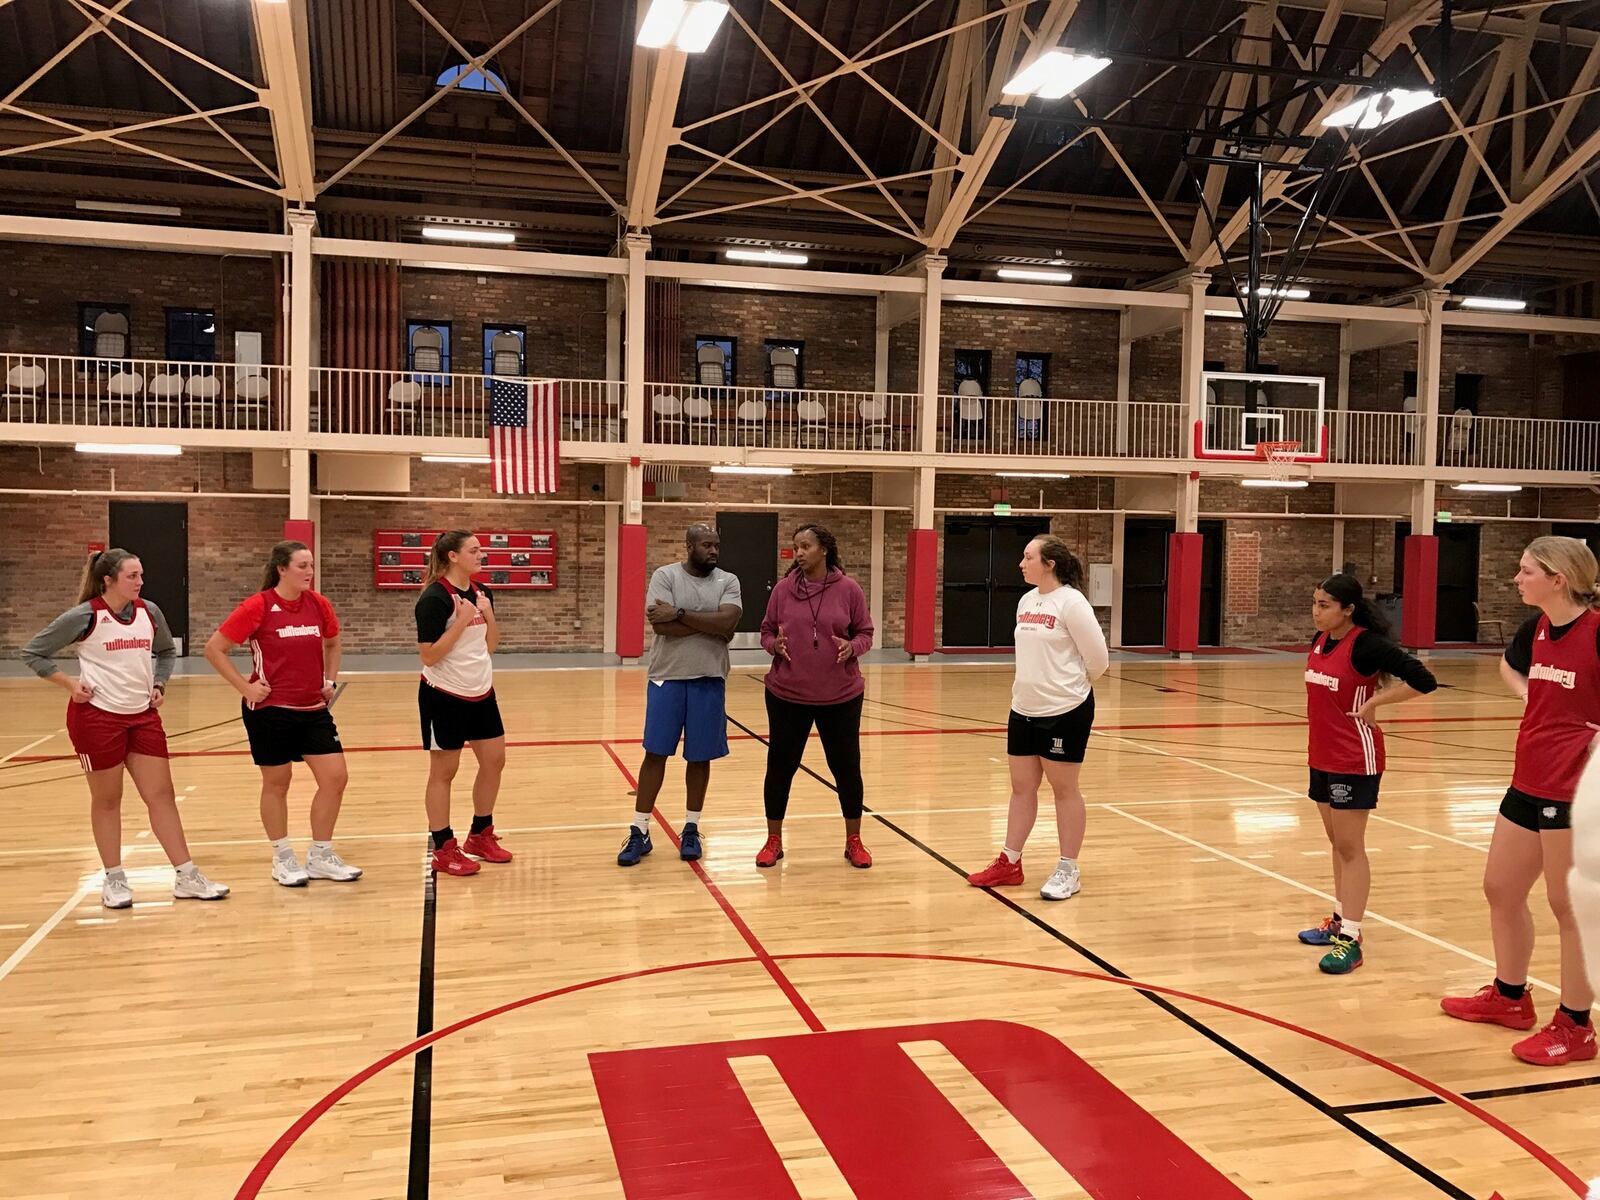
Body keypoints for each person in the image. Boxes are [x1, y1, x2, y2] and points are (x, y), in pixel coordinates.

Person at [1441, 536, 1598, 1066]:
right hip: (1528, 779)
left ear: (1559, 579)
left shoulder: (1597, 633)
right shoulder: (1536, 629)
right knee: (1500, 888)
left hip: (1575, 790)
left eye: (1526, 571)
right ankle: (1510, 997)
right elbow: (1511, 668)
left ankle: (1577, 1025)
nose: (1516, 578)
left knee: (1569, 907)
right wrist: (1529, 691)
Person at [22, 549, 228, 907]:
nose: (140, 582)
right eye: (132, 576)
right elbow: (34, 652)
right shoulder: (85, 615)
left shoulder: (150, 612)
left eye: (141, 575)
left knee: (162, 795)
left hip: (143, 716)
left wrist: (160, 684)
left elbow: (166, 652)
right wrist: (70, 685)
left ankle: (187, 874)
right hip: (97, 718)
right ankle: (114, 879)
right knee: (107, 800)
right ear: (109, 580)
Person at [1295, 573, 1436, 975]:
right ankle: (1339, 919)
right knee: (1337, 844)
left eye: (1325, 605)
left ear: (1348, 610)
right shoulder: (1319, 641)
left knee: (1352, 848)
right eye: (1315, 602)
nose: (1316, 611)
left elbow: (1424, 680)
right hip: (1320, 756)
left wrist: (1377, 699)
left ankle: (1351, 939)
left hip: (1355, 759)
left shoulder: (1367, 645)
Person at [204, 540, 361, 887]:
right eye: (302, 566)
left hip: (312, 708)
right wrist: (245, 688)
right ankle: (283, 857)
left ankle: (321, 855)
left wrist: (329, 680)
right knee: (277, 783)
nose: (309, 571)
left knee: (335, 778)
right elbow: (215, 649)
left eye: (311, 565)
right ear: (282, 569)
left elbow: (333, 643)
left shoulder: (318, 604)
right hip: (270, 710)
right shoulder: (257, 606)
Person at [967, 535, 1107, 901]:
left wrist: (1067, 689)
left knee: (1065, 790)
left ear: (1050, 564)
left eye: (1028, 557)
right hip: (1023, 710)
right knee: (1021, 787)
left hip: (1064, 712)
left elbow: (1099, 661)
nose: (1021, 563)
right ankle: (1010, 862)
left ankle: (1068, 869)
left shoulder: (1072, 603)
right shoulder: (1027, 601)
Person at [617, 525, 742, 867]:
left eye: (717, 544)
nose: (714, 550)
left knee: (699, 758)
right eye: (706, 544)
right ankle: (640, 830)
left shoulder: (728, 581)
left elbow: (728, 624)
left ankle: (691, 828)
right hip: (667, 678)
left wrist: (682, 614)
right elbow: (661, 626)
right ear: (689, 546)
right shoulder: (665, 575)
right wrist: (708, 623)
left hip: (709, 678)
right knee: (655, 754)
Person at [756, 524, 874, 869]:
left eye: (806, 546)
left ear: (824, 549)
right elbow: (766, 629)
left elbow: (865, 632)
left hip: (840, 695)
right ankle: (773, 840)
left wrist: (852, 647)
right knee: (780, 767)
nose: (800, 552)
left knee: (846, 768)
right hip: (787, 693)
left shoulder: (849, 590)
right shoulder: (782, 590)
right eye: (796, 547)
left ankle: (854, 840)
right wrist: (772, 645)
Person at [415, 530, 511, 878]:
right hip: (444, 695)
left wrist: (487, 615)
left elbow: (491, 644)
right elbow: (428, 654)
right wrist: (458, 622)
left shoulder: (483, 593)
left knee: (494, 761)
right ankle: (443, 846)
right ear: (453, 556)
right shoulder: (434, 598)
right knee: (444, 772)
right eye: (474, 550)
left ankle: (480, 835)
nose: (481, 554)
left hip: (481, 692)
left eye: (481, 549)